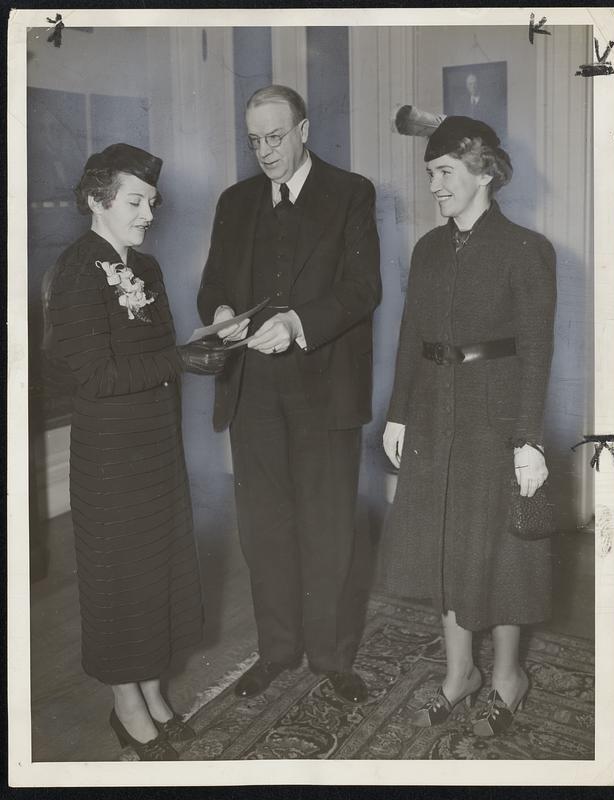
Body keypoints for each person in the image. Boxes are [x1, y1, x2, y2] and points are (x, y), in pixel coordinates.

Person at [198, 85, 381, 703]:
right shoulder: (235, 200)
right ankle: (277, 650)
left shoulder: (351, 193)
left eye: (275, 137)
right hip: (251, 391)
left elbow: (363, 289)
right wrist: (223, 311)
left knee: (327, 526)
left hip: (325, 389)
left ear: (304, 130)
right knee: (264, 529)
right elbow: (212, 287)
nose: (265, 151)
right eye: (254, 140)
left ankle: (331, 658)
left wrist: (299, 324)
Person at [43, 143, 225, 760]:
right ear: (97, 201)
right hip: (111, 456)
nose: (149, 213)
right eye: (135, 201)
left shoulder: (145, 269)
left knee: (158, 573)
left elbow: (160, 355)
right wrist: (179, 359)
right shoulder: (74, 270)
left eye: (152, 201)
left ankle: (151, 690)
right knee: (119, 578)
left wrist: (203, 350)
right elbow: (92, 376)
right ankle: (125, 706)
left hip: (156, 448)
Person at [381, 116, 556, 736]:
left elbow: (537, 351)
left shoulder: (527, 250)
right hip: (434, 415)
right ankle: (461, 675)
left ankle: (509, 675)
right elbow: (409, 337)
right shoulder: (429, 248)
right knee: (446, 548)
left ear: (484, 172)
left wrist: (529, 440)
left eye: (446, 172)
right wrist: (398, 413)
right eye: (430, 173)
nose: (434, 185)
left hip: (498, 419)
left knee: (502, 553)